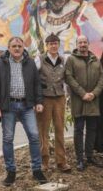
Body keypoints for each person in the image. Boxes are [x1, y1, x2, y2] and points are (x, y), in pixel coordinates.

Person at [0, 37, 47, 186]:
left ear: (23, 48)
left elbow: (36, 84)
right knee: (8, 139)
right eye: (13, 46)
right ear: (8, 48)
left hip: (27, 106)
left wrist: (39, 102)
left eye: (19, 46)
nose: (16, 48)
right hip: (8, 107)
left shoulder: (30, 63)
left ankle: (37, 170)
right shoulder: (0, 63)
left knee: (34, 136)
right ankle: (11, 171)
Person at [65, 35, 103, 171]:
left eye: (84, 42)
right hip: (79, 101)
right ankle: (80, 159)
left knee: (92, 130)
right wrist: (83, 93)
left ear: (88, 44)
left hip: (93, 101)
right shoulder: (71, 59)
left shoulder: (96, 60)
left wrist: (94, 93)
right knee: (79, 130)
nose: (82, 44)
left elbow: (101, 79)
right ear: (76, 44)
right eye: (80, 42)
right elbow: (69, 78)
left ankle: (90, 156)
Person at [34, 33, 71, 172]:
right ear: (47, 46)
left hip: (60, 98)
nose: (53, 46)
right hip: (44, 98)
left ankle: (61, 161)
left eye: (56, 43)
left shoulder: (63, 60)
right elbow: (33, 78)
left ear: (58, 45)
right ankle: (44, 161)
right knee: (43, 130)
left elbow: (68, 78)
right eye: (51, 44)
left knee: (60, 129)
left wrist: (68, 95)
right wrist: (35, 99)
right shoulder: (39, 59)